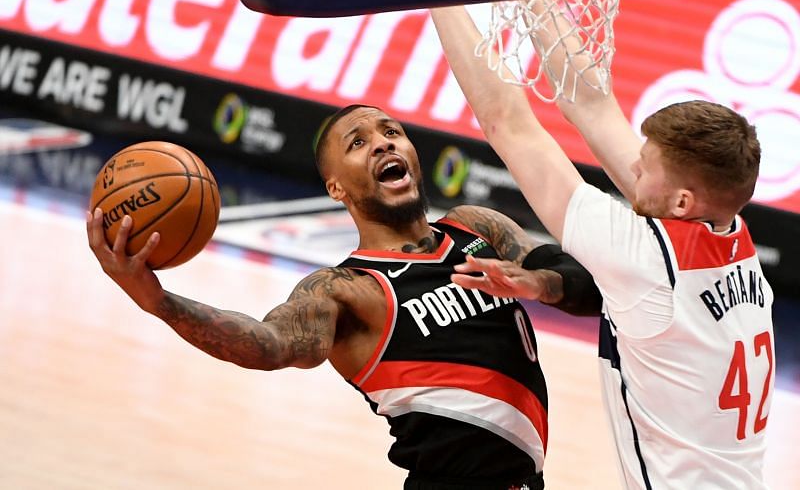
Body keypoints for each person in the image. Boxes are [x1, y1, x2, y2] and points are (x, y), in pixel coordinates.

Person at [87, 103, 602, 490]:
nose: (383, 144)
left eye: (391, 132)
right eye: (358, 143)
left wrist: (541, 284)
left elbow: (580, 283)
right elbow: (268, 344)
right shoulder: (345, 290)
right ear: (336, 188)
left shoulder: (477, 228)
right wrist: (157, 301)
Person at [431, 5, 775, 489]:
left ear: (681, 201)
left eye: (646, 166)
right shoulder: (731, 233)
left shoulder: (647, 259)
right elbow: (592, 104)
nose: (634, 170)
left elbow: (505, 123)